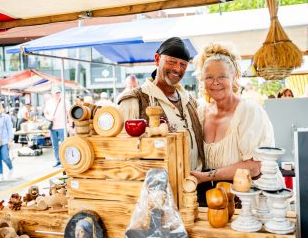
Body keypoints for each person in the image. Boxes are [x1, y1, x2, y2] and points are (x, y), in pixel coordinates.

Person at [190, 43, 275, 198]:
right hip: (213, 199)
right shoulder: (201, 113)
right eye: (209, 77)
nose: (215, 83)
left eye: (222, 76)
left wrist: (206, 177)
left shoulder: (248, 111)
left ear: (233, 76)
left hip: (247, 199)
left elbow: (254, 167)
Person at [118, 37, 204, 170]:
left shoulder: (190, 101)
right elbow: (122, 153)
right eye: (172, 62)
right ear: (157, 59)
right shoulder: (134, 100)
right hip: (158, 187)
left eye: (183, 65)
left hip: (195, 185)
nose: (177, 69)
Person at [44, 86, 69, 167]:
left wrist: (70, 124)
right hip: (52, 127)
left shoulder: (65, 101)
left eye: (59, 92)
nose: (58, 94)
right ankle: (58, 160)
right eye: (56, 93)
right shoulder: (49, 102)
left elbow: (69, 112)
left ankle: (65, 161)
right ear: (52, 94)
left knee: (64, 144)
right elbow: (46, 113)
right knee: (55, 145)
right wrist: (49, 118)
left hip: (62, 126)